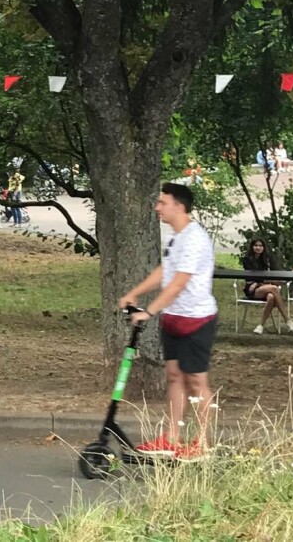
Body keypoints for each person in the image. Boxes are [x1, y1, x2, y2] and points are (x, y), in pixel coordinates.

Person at [118, 182, 216, 459]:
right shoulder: (176, 237)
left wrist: (148, 311)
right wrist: (134, 293)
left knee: (196, 380)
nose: (157, 207)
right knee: (173, 377)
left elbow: (178, 284)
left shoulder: (195, 238)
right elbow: (165, 272)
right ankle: (172, 438)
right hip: (173, 318)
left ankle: (202, 443)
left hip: (196, 319)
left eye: (162, 202)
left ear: (179, 205)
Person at [240, 238, 293, 335]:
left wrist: (259, 282)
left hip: (264, 286)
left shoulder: (268, 259)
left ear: (264, 247)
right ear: (252, 247)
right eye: (256, 245)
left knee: (271, 297)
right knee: (274, 288)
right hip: (252, 289)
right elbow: (251, 276)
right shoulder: (247, 259)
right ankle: (287, 320)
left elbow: (273, 276)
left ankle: (260, 326)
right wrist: (259, 282)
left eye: (260, 246)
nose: (258, 248)